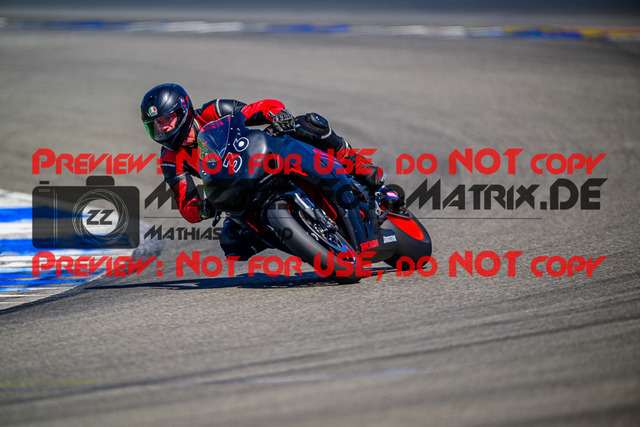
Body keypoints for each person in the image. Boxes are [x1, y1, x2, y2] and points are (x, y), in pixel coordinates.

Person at [141, 83, 384, 259]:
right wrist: (202, 208)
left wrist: (277, 115)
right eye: (157, 124)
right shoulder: (170, 159)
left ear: (183, 112)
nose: (164, 128)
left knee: (307, 124)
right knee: (232, 242)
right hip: (236, 188)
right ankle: (304, 242)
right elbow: (186, 203)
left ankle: (357, 164)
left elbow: (257, 109)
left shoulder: (213, 111)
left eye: (168, 119)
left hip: (259, 156)